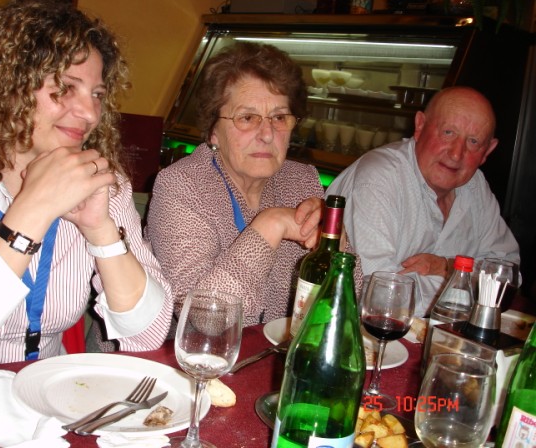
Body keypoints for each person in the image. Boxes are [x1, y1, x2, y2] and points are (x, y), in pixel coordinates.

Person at [0, 0, 172, 377]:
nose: (90, 113)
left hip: (44, 393)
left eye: (97, 94)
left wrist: (101, 231)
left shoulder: (97, 177)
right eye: (66, 87)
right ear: (7, 83)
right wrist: (33, 212)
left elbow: (149, 334)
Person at [145, 42, 361, 327]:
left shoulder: (302, 181)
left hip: (277, 349)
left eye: (279, 117)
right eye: (247, 118)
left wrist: (337, 248)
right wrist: (271, 224)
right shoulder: (182, 185)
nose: (267, 134)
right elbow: (203, 320)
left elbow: (350, 303)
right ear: (213, 131)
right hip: (183, 353)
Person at [326, 86, 520, 316]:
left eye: (473, 142)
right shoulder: (378, 178)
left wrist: (447, 267)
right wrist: (463, 280)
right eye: (448, 132)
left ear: (488, 150)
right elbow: (378, 296)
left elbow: (507, 276)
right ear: (420, 126)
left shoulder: (475, 186)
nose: (456, 154)